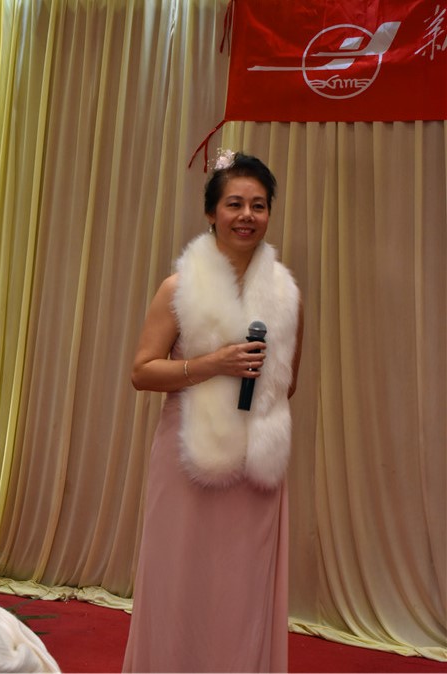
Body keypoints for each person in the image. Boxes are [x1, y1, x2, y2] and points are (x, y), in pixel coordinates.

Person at [122, 151, 304, 673]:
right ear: (211, 213)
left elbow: (288, 383)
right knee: (179, 585)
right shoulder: (178, 289)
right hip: (187, 461)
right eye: (234, 204)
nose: (247, 215)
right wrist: (212, 365)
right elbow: (142, 372)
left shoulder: (287, 295)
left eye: (258, 205)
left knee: (243, 594)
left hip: (256, 467)